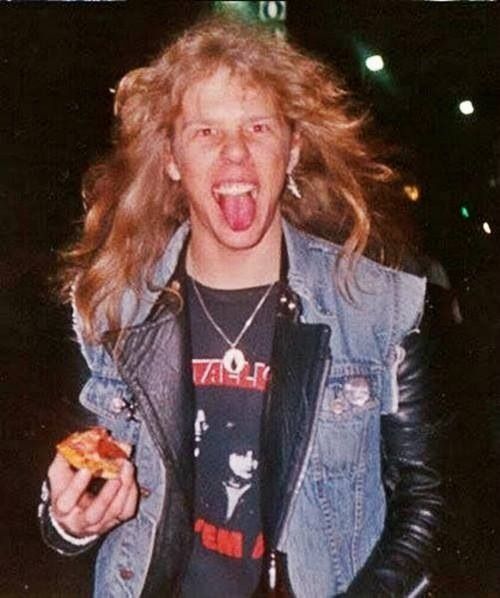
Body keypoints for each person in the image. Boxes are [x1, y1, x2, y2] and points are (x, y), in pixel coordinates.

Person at [39, 15, 445, 597]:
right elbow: (84, 477)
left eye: (258, 127)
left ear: (293, 149)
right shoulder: (114, 308)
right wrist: (67, 520)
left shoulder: (377, 307)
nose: (234, 154)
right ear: (173, 158)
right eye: (205, 131)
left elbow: (422, 504)